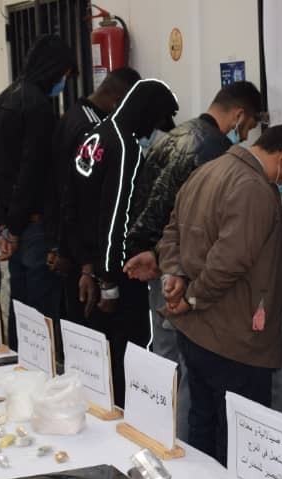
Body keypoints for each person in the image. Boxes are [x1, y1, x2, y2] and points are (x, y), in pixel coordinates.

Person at [157, 125, 282, 465]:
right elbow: (228, 262)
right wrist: (191, 297)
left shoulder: (206, 170)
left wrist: (174, 275)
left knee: (202, 426)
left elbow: (171, 234)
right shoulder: (254, 188)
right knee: (239, 443)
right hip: (234, 340)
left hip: (196, 333)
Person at [121, 80, 264, 437]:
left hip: (156, 264)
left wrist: (148, 251)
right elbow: (198, 224)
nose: (247, 135)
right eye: (249, 124)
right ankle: (180, 448)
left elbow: (142, 201)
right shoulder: (215, 151)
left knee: (165, 360)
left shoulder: (172, 136)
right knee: (188, 370)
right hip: (181, 274)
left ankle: (158, 436)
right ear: (239, 114)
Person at [63, 79, 179, 405]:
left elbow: (70, 202)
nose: (153, 132)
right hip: (116, 272)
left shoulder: (94, 134)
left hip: (86, 265)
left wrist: (85, 265)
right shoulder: (125, 147)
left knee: (93, 356)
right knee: (125, 353)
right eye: (155, 122)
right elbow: (115, 217)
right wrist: (108, 281)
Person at [0, 34, 76, 348]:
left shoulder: (5, 98)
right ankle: (38, 370)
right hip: (34, 223)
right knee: (40, 309)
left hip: (13, 221)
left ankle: (18, 362)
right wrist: (14, 227)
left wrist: (5, 225)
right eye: (65, 74)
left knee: (21, 302)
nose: (63, 82)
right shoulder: (37, 107)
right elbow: (32, 172)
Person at [48, 67, 141, 323]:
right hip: (86, 255)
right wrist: (88, 263)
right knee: (94, 329)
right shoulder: (92, 128)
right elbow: (85, 200)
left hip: (76, 249)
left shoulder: (73, 115)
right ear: (118, 100)